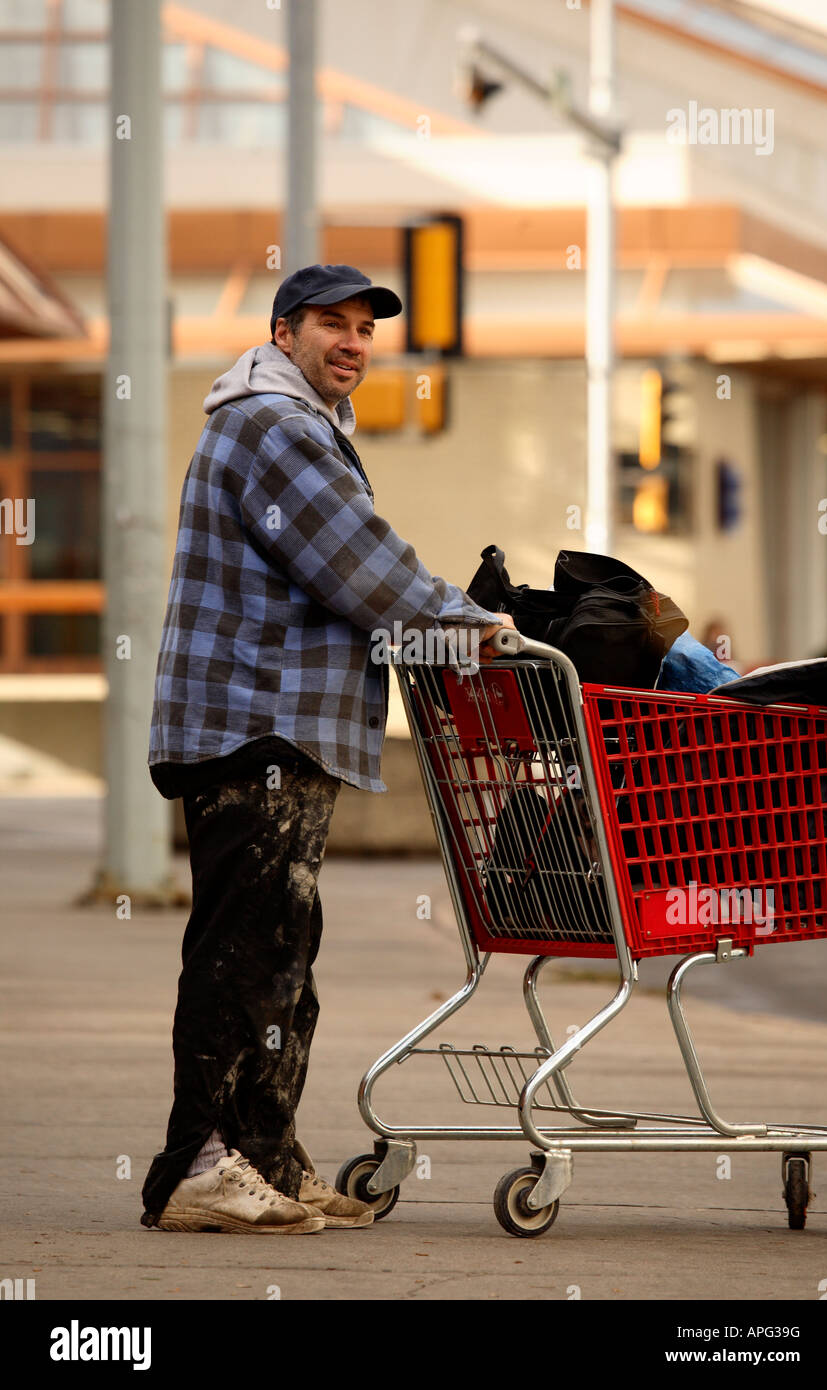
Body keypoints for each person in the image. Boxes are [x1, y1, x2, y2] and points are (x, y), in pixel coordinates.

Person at [141, 264, 512, 1235]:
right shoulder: (273, 425)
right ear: (281, 331)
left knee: (282, 953)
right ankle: (197, 1162)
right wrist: (467, 622)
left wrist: (449, 623)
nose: (351, 341)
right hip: (249, 726)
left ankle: (263, 1154)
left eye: (363, 328)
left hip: (276, 726)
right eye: (330, 325)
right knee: (243, 951)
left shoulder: (300, 422)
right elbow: (358, 562)